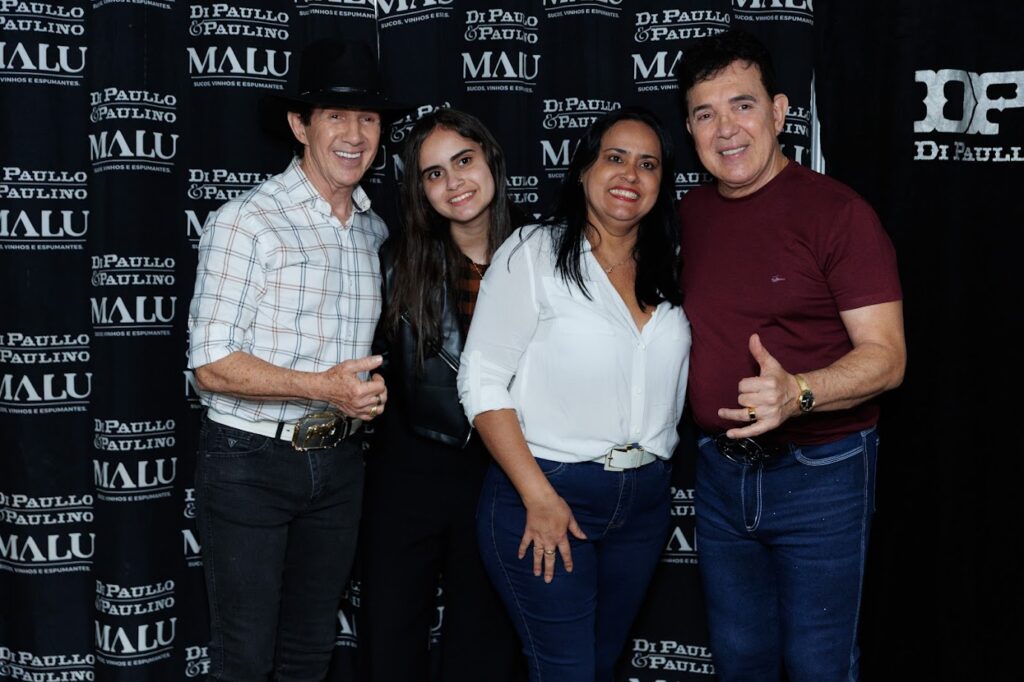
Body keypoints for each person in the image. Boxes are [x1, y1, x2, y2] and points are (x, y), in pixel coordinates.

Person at [677, 30, 907, 682]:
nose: (726, 128)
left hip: (821, 472)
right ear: (690, 130)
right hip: (719, 473)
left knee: (818, 666)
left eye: (742, 105)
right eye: (705, 113)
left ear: (779, 112)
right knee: (740, 662)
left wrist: (797, 392)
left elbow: (888, 358)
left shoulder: (838, 214)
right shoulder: (689, 213)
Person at [187, 39, 404, 680]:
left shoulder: (373, 232)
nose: (354, 135)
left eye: (368, 118)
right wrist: (325, 388)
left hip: (340, 466)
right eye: (335, 116)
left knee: (310, 653)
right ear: (299, 125)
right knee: (244, 658)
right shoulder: (246, 222)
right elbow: (211, 363)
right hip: (249, 461)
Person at [458, 106, 691, 682]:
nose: (630, 175)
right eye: (615, 158)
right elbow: (481, 379)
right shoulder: (532, 251)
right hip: (548, 491)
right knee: (565, 671)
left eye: (648, 165)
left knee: (599, 666)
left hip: (644, 502)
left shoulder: (672, 263)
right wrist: (539, 497)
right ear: (585, 168)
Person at [360, 108, 524, 681]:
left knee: (484, 646)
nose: (454, 182)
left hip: (503, 474)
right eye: (434, 173)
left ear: (491, 161)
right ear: (419, 189)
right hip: (408, 472)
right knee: (390, 639)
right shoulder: (394, 263)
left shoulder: (542, 253)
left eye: (464, 161)